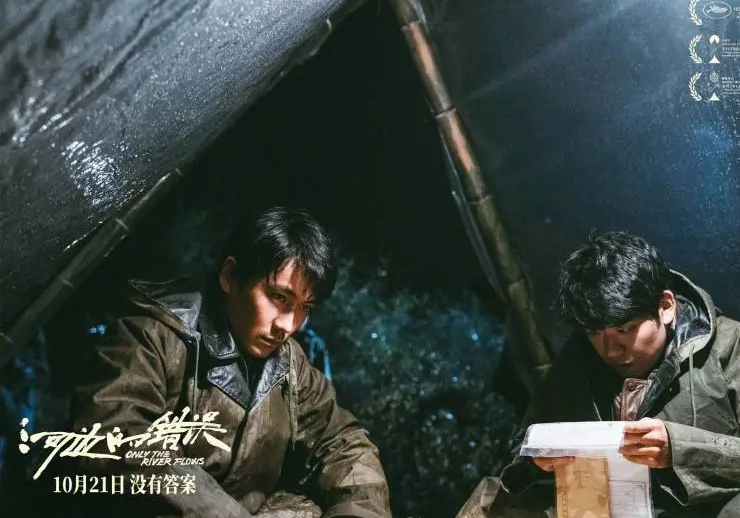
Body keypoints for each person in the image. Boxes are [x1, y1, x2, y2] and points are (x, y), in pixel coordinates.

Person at [57, 206, 390, 518]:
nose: (288, 325)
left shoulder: (291, 365)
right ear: (230, 276)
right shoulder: (152, 336)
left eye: (305, 307)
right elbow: (113, 436)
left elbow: (342, 443)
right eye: (279, 297)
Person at [457, 231, 740, 518]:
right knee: (492, 502)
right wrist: (535, 462)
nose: (612, 350)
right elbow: (524, 448)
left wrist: (679, 450)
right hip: (601, 507)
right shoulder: (579, 358)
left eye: (624, 329)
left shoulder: (729, 347)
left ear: (665, 307)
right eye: (595, 332)